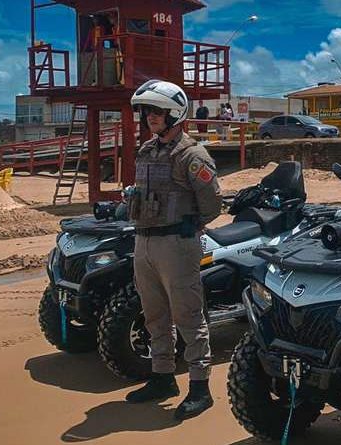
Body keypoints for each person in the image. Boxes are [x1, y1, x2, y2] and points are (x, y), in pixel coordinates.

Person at [125, 79, 222, 421]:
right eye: (147, 111)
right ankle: (162, 377)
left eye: (157, 111)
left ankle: (200, 387)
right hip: (145, 241)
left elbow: (212, 205)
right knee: (155, 315)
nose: (151, 117)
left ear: (174, 114)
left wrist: (188, 227)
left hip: (177, 244)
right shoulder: (147, 151)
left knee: (188, 316)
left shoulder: (192, 155)